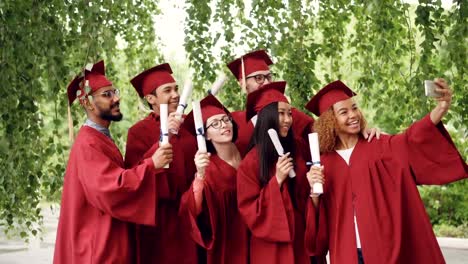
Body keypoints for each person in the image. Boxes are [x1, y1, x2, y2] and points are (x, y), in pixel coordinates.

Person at [304, 80, 467, 264]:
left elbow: (410, 139)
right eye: (344, 112)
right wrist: (314, 193)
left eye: (355, 108)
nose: (353, 115)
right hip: (345, 253)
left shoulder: (380, 146)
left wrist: (441, 109)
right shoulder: (325, 163)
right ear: (330, 121)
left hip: (384, 251)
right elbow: (320, 222)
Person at [54, 61, 173, 263]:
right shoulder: (88, 143)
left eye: (114, 92)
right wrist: (151, 164)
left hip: (107, 241)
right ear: (87, 103)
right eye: (107, 95)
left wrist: (156, 153)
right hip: (97, 247)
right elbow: (111, 188)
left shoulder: (100, 137)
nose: (116, 98)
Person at [236, 81, 325, 264]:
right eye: (281, 114)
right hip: (270, 247)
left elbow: (302, 200)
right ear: (267, 117)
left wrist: (312, 190)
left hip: (300, 239)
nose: (288, 119)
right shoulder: (251, 162)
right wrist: (277, 181)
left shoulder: (297, 148)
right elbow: (249, 212)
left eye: (289, 113)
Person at [125, 63, 198, 263]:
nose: (175, 94)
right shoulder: (138, 132)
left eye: (176, 88)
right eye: (167, 90)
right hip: (158, 222)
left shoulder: (190, 126)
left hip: (190, 216)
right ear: (151, 99)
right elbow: (135, 176)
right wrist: (165, 136)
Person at [179, 94, 249, 264]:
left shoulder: (247, 153)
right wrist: (200, 175)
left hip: (256, 232)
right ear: (206, 135)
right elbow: (192, 209)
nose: (224, 125)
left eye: (225, 119)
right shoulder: (208, 168)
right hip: (230, 242)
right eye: (215, 124)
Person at [226, 50, 315, 156]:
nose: (267, 82)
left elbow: (317, 139)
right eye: (258, 78)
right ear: (243, 83)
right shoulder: (235, 121)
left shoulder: (292, 114)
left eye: (269, 77)